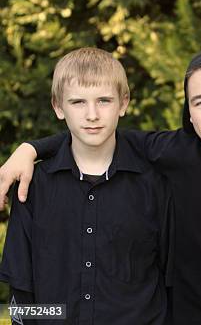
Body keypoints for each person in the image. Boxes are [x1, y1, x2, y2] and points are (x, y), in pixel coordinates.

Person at [0, 46, 201, 324]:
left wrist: (32, 147)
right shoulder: (174, 156)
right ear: (188, 112)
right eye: (200, 102)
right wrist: (32, 148)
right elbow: (93, 135)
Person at [0, 47, 172, 324]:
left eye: (104, 100)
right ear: (58, 107)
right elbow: (21, 291)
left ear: (123, 103)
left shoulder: (154, 184)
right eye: (78, 102)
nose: (92, 114)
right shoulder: (33, 186)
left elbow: (170, 281)